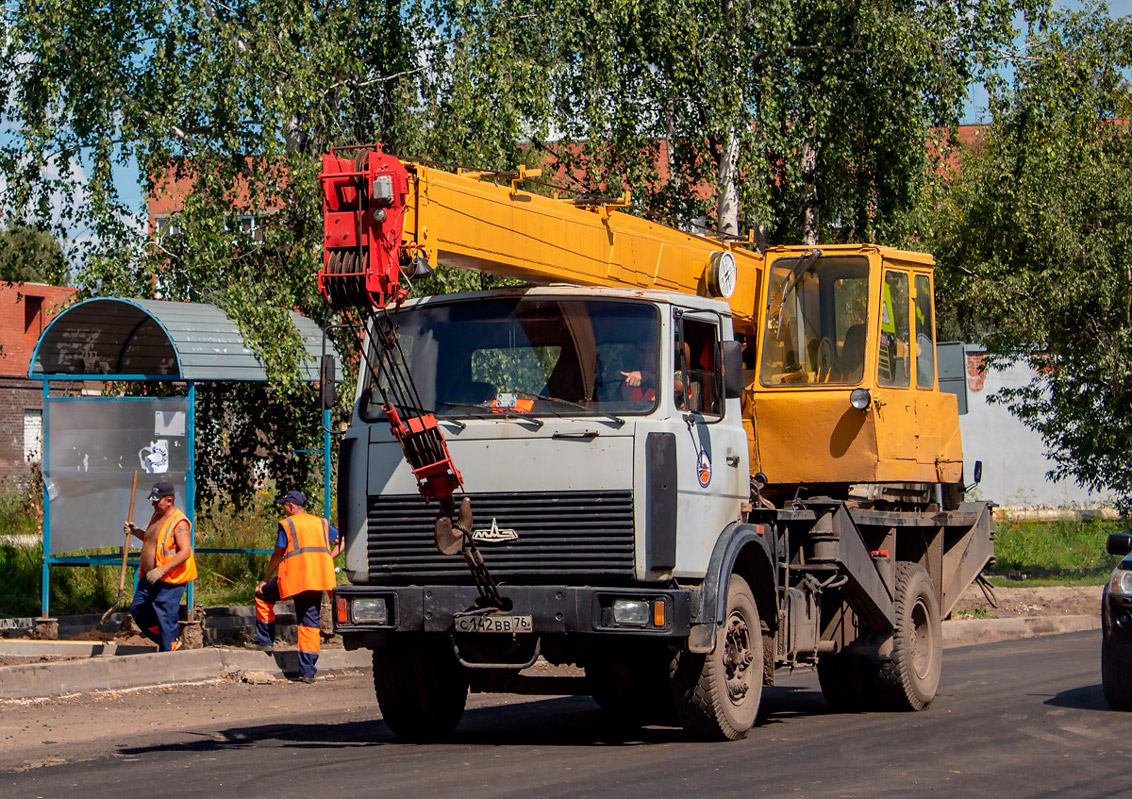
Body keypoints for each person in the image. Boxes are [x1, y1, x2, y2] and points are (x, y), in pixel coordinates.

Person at [253, 490, 341, 683]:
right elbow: (342, 541)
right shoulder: (321, 522)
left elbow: (277, 554)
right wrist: (328, 559)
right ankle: (308, 672)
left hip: (295, 577)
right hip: (318, 577)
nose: (283, 509)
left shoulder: (288, 524)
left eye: (284, 505)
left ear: (292, 506)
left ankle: (266, 643)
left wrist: (265, 580)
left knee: (262, 596)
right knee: (309, 620)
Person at [125, 480, 197, 652]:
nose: (153, 503)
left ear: (169, 501)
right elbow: (153, 541)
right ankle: (167, 640)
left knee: (165, 614)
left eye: (157, 500)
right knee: (138, 609)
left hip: (170, 578)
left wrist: (162, 570)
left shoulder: (179, 523)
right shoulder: (157, 516)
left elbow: (185, 552)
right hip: (149, 577)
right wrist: (136, 532)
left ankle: (168, 649)